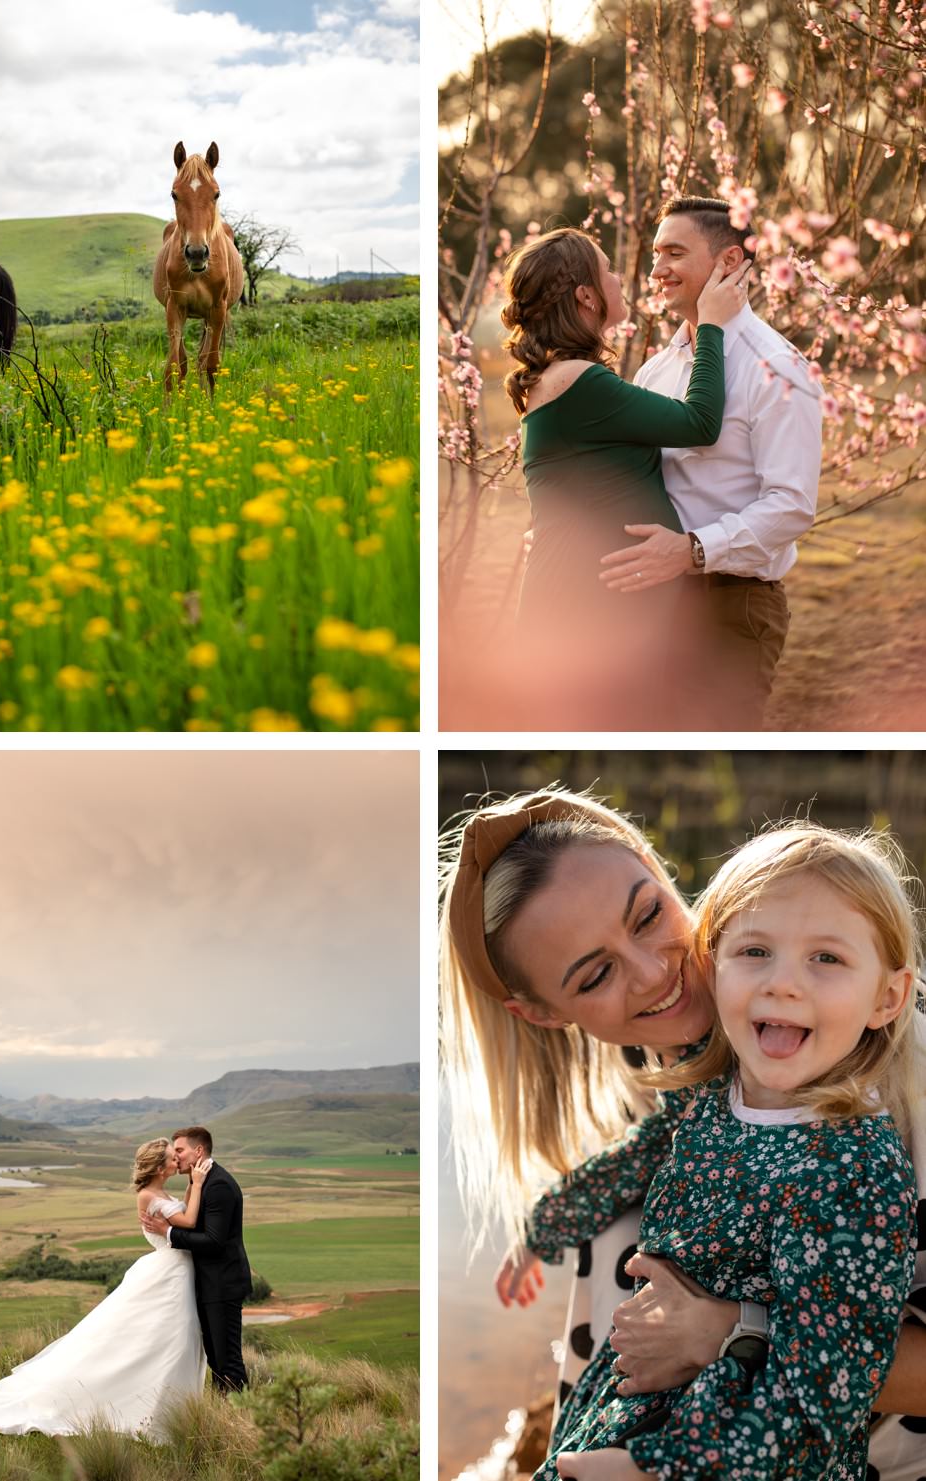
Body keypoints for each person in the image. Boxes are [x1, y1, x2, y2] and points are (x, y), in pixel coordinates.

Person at [440, 787, 926, 1481]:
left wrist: (727, 1330)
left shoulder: (879, 1111)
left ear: (657, 866)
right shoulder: (696, 1092)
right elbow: (630, 1163)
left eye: (648, 915)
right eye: (597, 973)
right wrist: (543, 1226)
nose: (653, 970)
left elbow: (832, 1359)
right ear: (543, 1013)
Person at [499, 228, 751, 728]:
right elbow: (700, 423)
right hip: (589, 614)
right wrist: (714, 327)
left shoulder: (564, 379)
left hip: (594, 603)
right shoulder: (581, 382)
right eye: (608, 268)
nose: (621, 277)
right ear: (586, 296)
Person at [599, 197, 823, 729]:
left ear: (727, 263)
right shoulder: (656, 372)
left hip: (733, 605)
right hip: (650, 605)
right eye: (655, 254)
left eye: (674, 253)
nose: (656, 271)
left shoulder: (778, 368)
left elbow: (792, 507)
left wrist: (693, 551)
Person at [0, 1137, 212, 1437]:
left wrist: (192, 1182)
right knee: (164, 1338)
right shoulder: (147, 1196)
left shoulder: (161, 1191)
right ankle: (147, 1410)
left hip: (177, 1272)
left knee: (174, 1339)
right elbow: (189, 1221)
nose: (176, 1159)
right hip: (169, 1274)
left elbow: (182, 1213)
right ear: (157, 1166)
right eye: (171, 1156)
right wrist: (200, 1184)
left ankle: (172, 1409)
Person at [139, 1126, 253, 1394]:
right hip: (208, 1283)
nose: (176, 1157)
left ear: (198, 1151)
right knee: (216, 1358)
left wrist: (167, 1232)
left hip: (222, 1284)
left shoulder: (219, 1185)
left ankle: (242, 1418)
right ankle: (227, 1415)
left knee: (228, 1359)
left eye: (179, 1150)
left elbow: (214, 1241)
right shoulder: (202, 1182)